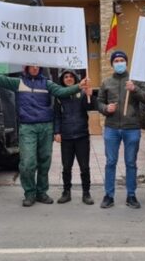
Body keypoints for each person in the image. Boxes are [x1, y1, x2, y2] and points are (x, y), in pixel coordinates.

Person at [0, 61, 88, 207]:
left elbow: (61, 92)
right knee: (27, 163)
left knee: (44, 161)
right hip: (27, 127)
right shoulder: (18, 82)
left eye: (37, 65)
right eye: (32, 65)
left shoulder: (47, 84)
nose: (35, 67)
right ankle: (29, 193)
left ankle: (41, 193)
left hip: (46, 127)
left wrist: (79, 86)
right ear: (26, 67)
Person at [97, 50, 145, 209]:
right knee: (110, 162)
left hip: (131, 128)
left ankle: (131, 196)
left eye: (122, 60)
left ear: (126, 62)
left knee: (131, 163)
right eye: (116, 60)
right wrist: (106, 108)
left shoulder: (135, 81)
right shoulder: (107, 82)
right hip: (112, 128)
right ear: (112, 64)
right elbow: (99, 102)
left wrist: (135, 89)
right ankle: (108, 196)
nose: (119, 63)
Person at [54, 69, 94, 205]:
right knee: (66, 167)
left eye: (71, 76)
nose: (69, 78)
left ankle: (86, 193)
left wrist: (90, 95)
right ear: (62, 80)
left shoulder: (82, 93)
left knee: (84, 167)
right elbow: (57, 116)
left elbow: (89, 106)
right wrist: (57, 132)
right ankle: (66, 192)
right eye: (66, 77)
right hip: (66, 137)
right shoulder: (59, 96)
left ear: (75, 78)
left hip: (82, 135)